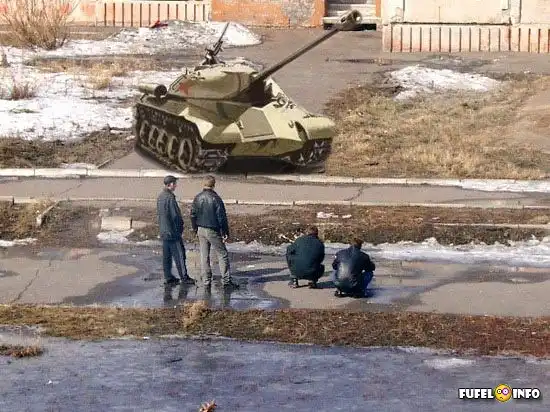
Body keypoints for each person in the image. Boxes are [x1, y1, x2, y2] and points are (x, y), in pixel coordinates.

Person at [190, 175, 239, 290]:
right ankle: (226, 281)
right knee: (222, 254)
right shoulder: (216, 199)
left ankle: (206, 281)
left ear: (203, 184)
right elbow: (221, 217)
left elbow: (192, 214)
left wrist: (195, 228)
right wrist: (225, 231)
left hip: (201, 229)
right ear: (214, 185)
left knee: (204, 255)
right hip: (212, 230)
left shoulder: (198, 197)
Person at [157, 175, 194, 286]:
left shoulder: (161, 196)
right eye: (175, 183)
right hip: (172, 231)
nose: (176, 186)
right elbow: (175, 216)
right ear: (171, 184)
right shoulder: (170, 197)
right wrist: (180, 227)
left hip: (164, 230)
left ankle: (168, 276)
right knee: (179, 254)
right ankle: (184, 277)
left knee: (167, 256)